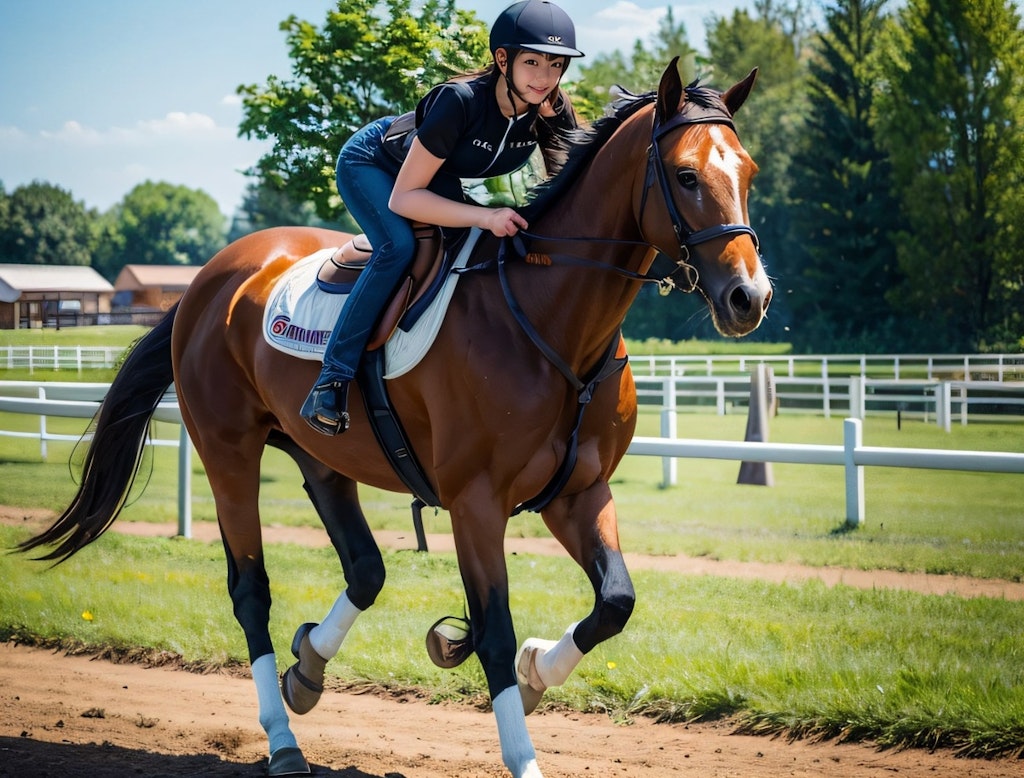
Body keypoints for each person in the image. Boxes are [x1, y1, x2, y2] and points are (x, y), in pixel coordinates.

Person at [300, 0, 584, 435]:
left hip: (440, 175)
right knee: (400, 247)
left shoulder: (548, 108)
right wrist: (486, 216)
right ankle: (332, 380)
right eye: (531, 62)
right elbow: (405, 198)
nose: (544, 78)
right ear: (502, 58)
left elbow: (573, 192)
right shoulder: (460, 101)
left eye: (555, 65)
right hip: (374, 164)